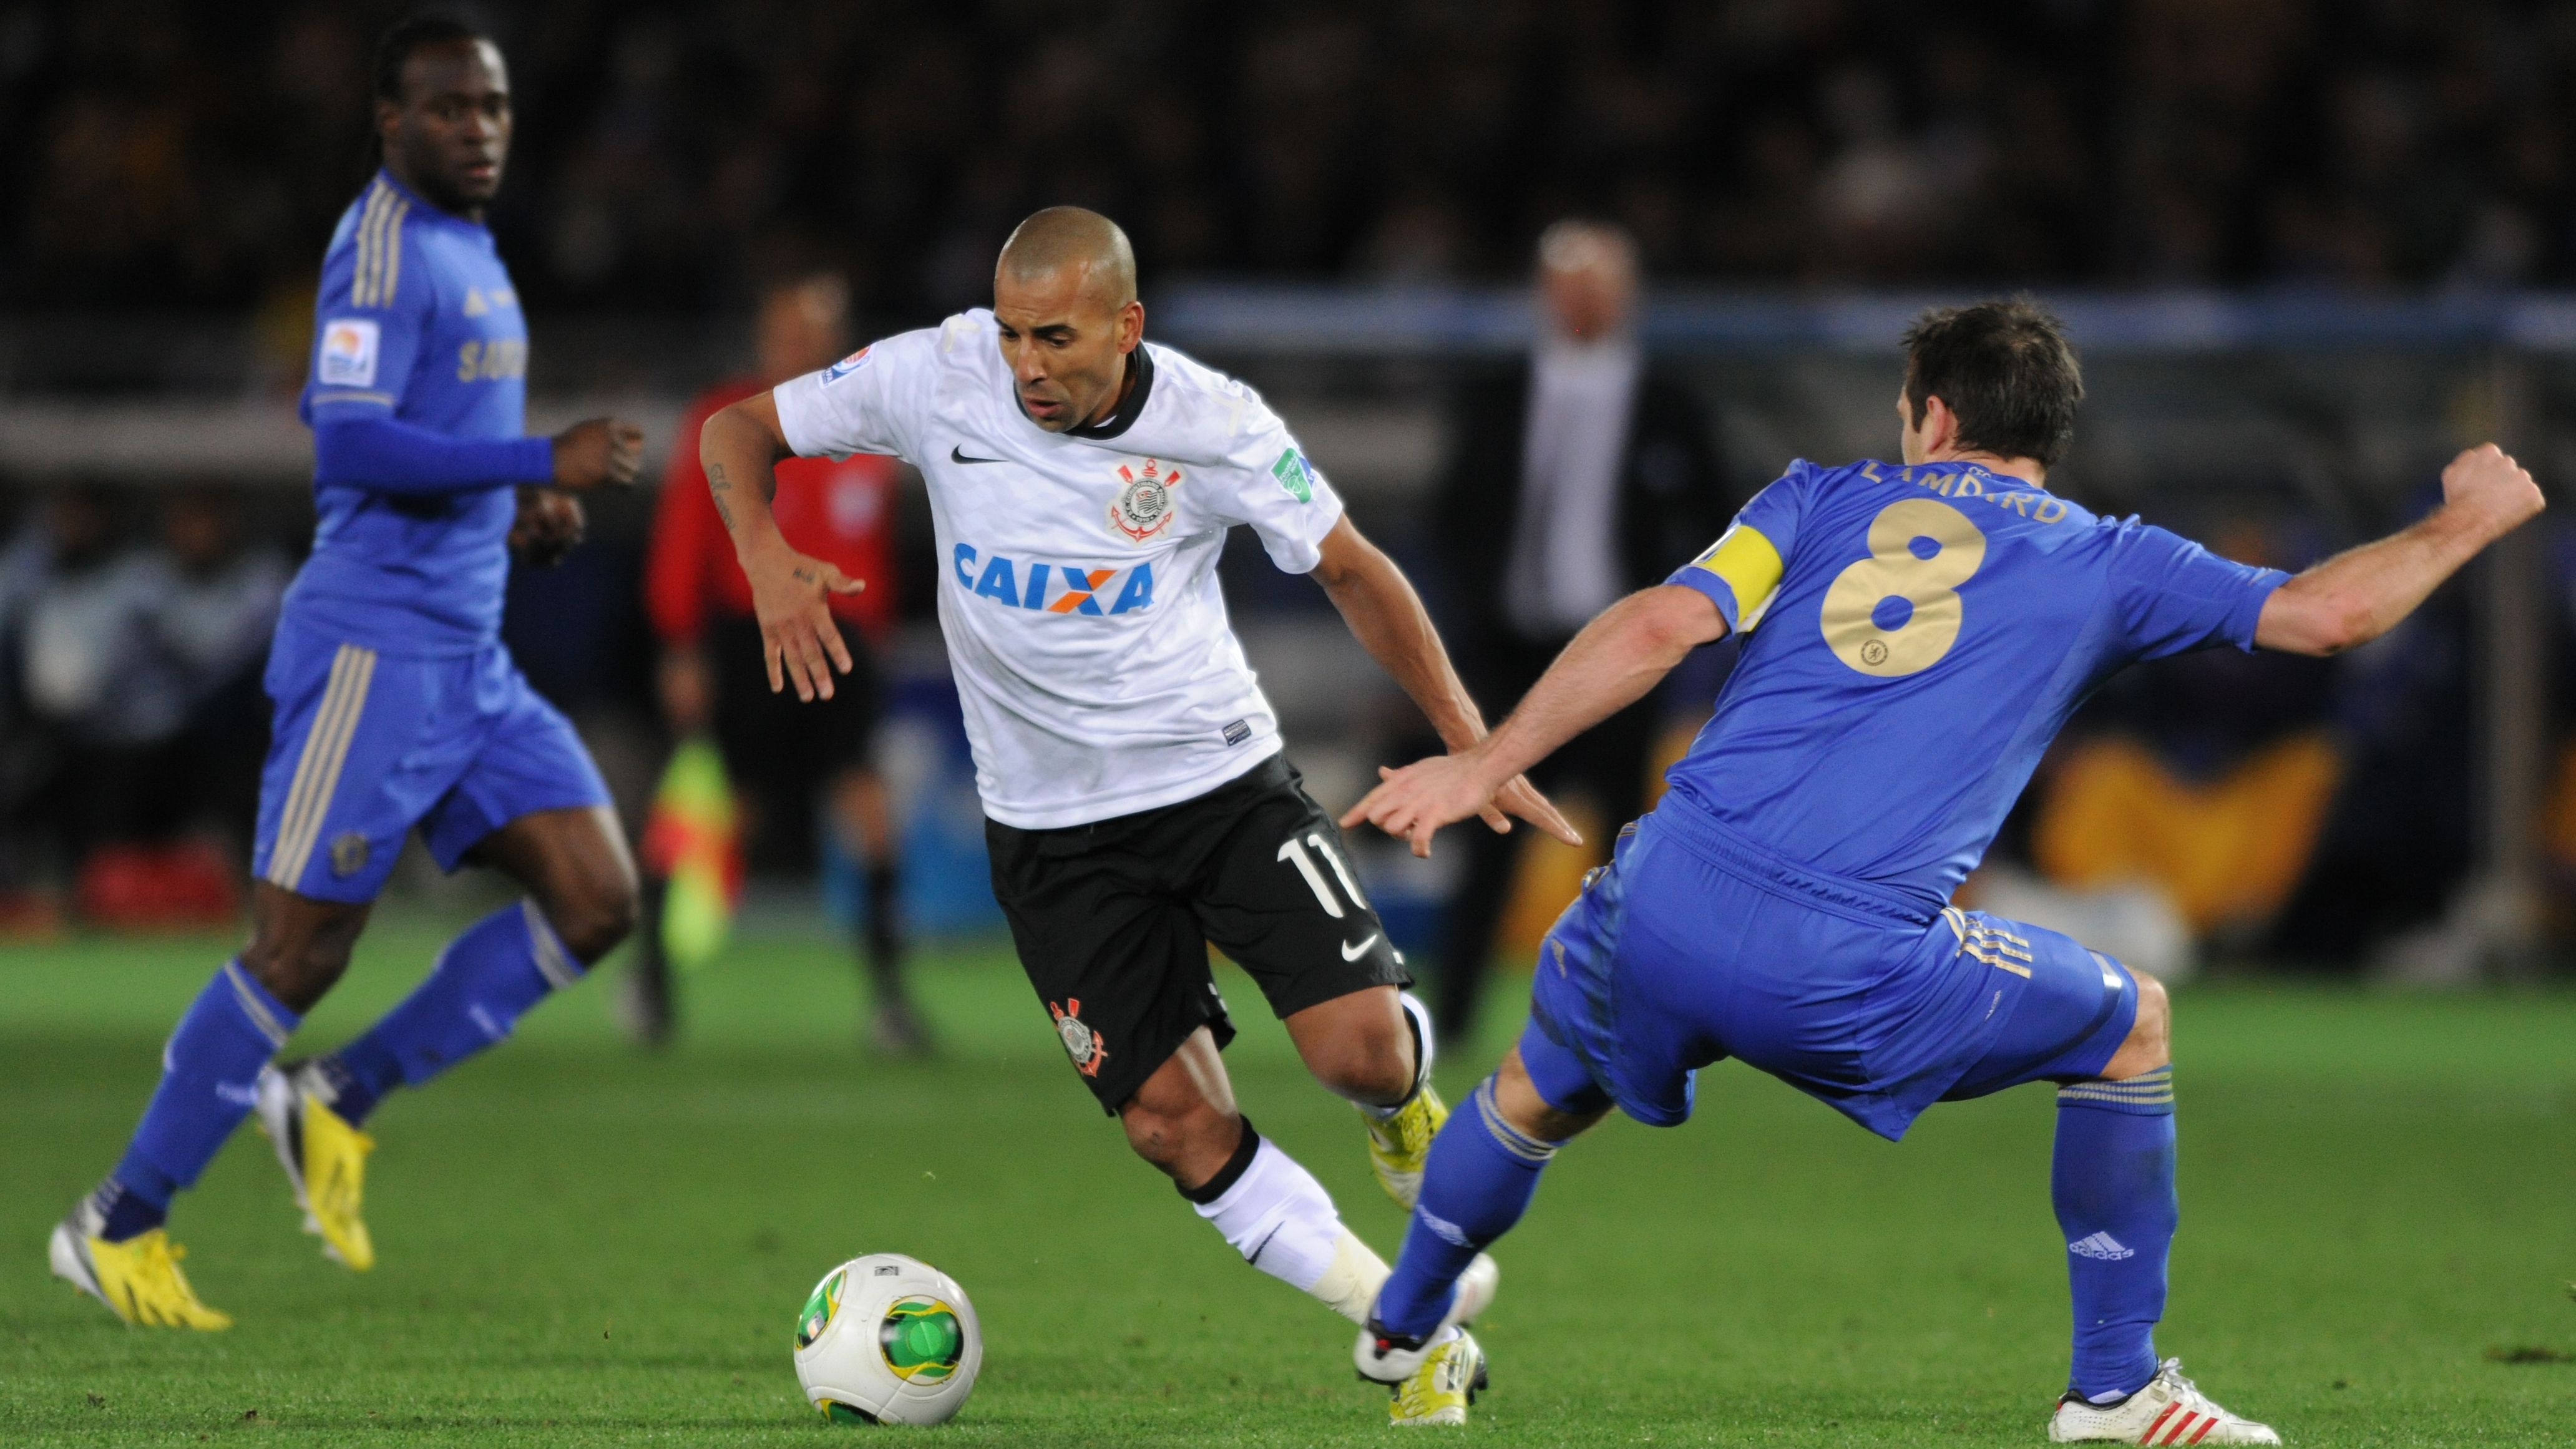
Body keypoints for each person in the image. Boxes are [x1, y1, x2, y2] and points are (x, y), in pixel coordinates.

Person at [1340, 300, 2545, 1438]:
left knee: (1539, 1082)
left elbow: (1663, 622)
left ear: (1931, 416)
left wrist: (1482, 760)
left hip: (1661, 892)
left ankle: (1403, 1323)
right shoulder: (2108, 558)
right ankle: (2114, 1388)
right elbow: (2325, 617)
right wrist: (2465, 519)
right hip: (1839, 959)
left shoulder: (1809, 498)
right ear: (2048, 435)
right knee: (2132, 1026)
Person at [698, 206, 1575, 1421]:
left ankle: (1400, 1112)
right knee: (1172, 1124)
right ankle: (1408, 1328)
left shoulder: (1215, 425)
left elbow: (1353, 570)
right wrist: (761, 550)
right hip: (1049, 837)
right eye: (1012, 334)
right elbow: (736, 428)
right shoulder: (939, 374)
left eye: (1054, 336)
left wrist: (1472, 743)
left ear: (1127, 324)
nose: (1026, 366)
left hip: (1217, 788)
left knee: (1359, 1052)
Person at [48, 14, 645, 1329]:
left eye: (491, 107)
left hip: (470, 655)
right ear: (390, 124)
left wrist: (516, 511)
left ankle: (338, 1097)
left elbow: (448, 437)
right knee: (297, 951)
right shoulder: (377, 248)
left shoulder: (472, 249)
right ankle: (117, 1223)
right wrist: (541, 464)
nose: (478, 130)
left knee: (598, 903)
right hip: (375, 654)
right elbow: (355, 446)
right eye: (448, 110)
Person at [1428, 221, 1727, 1045]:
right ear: (1544, 294)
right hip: (1514, 655)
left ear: (1628, 295)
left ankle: (1631, 1021)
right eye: (1570, 281)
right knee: (1488, 838)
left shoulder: (1670, 403)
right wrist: (1468, 631)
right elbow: (1455, 520)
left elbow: (1721, 523)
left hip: (1623, 659)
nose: (1585, 299)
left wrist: (1682, 625)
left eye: (1601, 282)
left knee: (1632, 846)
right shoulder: (1497, 396)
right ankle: (1450, 1022)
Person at [632, 271, 920, 1051]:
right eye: (791, 331)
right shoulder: (728, 424)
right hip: (749, 637)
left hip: (847, 644)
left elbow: (875, 553)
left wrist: (879, 641)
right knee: (724, 812)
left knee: (868, 811)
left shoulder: (871, 434)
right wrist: (682, 646)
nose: (805, 345)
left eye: (818, 331)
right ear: (766, 337)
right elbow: (686, 541)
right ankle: (651, 979)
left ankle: (892, 1001)